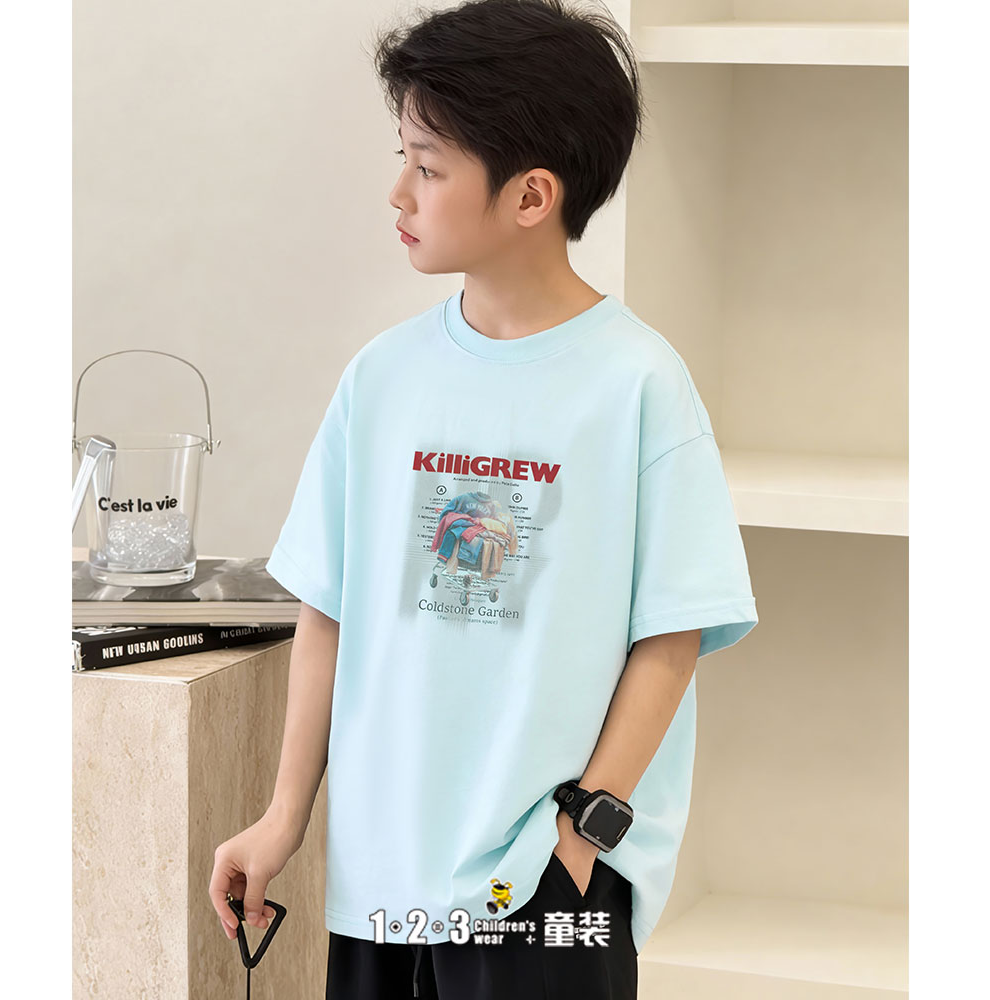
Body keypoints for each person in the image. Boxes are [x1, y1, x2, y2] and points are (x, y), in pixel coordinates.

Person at [209, 1, 758, 997]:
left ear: (531, 194)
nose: (398, 192)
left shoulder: (637, 385)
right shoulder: (381, 380)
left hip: (544, 881)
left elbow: (674, 634)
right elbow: (329, 609)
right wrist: (284, 817)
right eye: (404, 158)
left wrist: (582, 833)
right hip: (384, 878)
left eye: (427, 166)